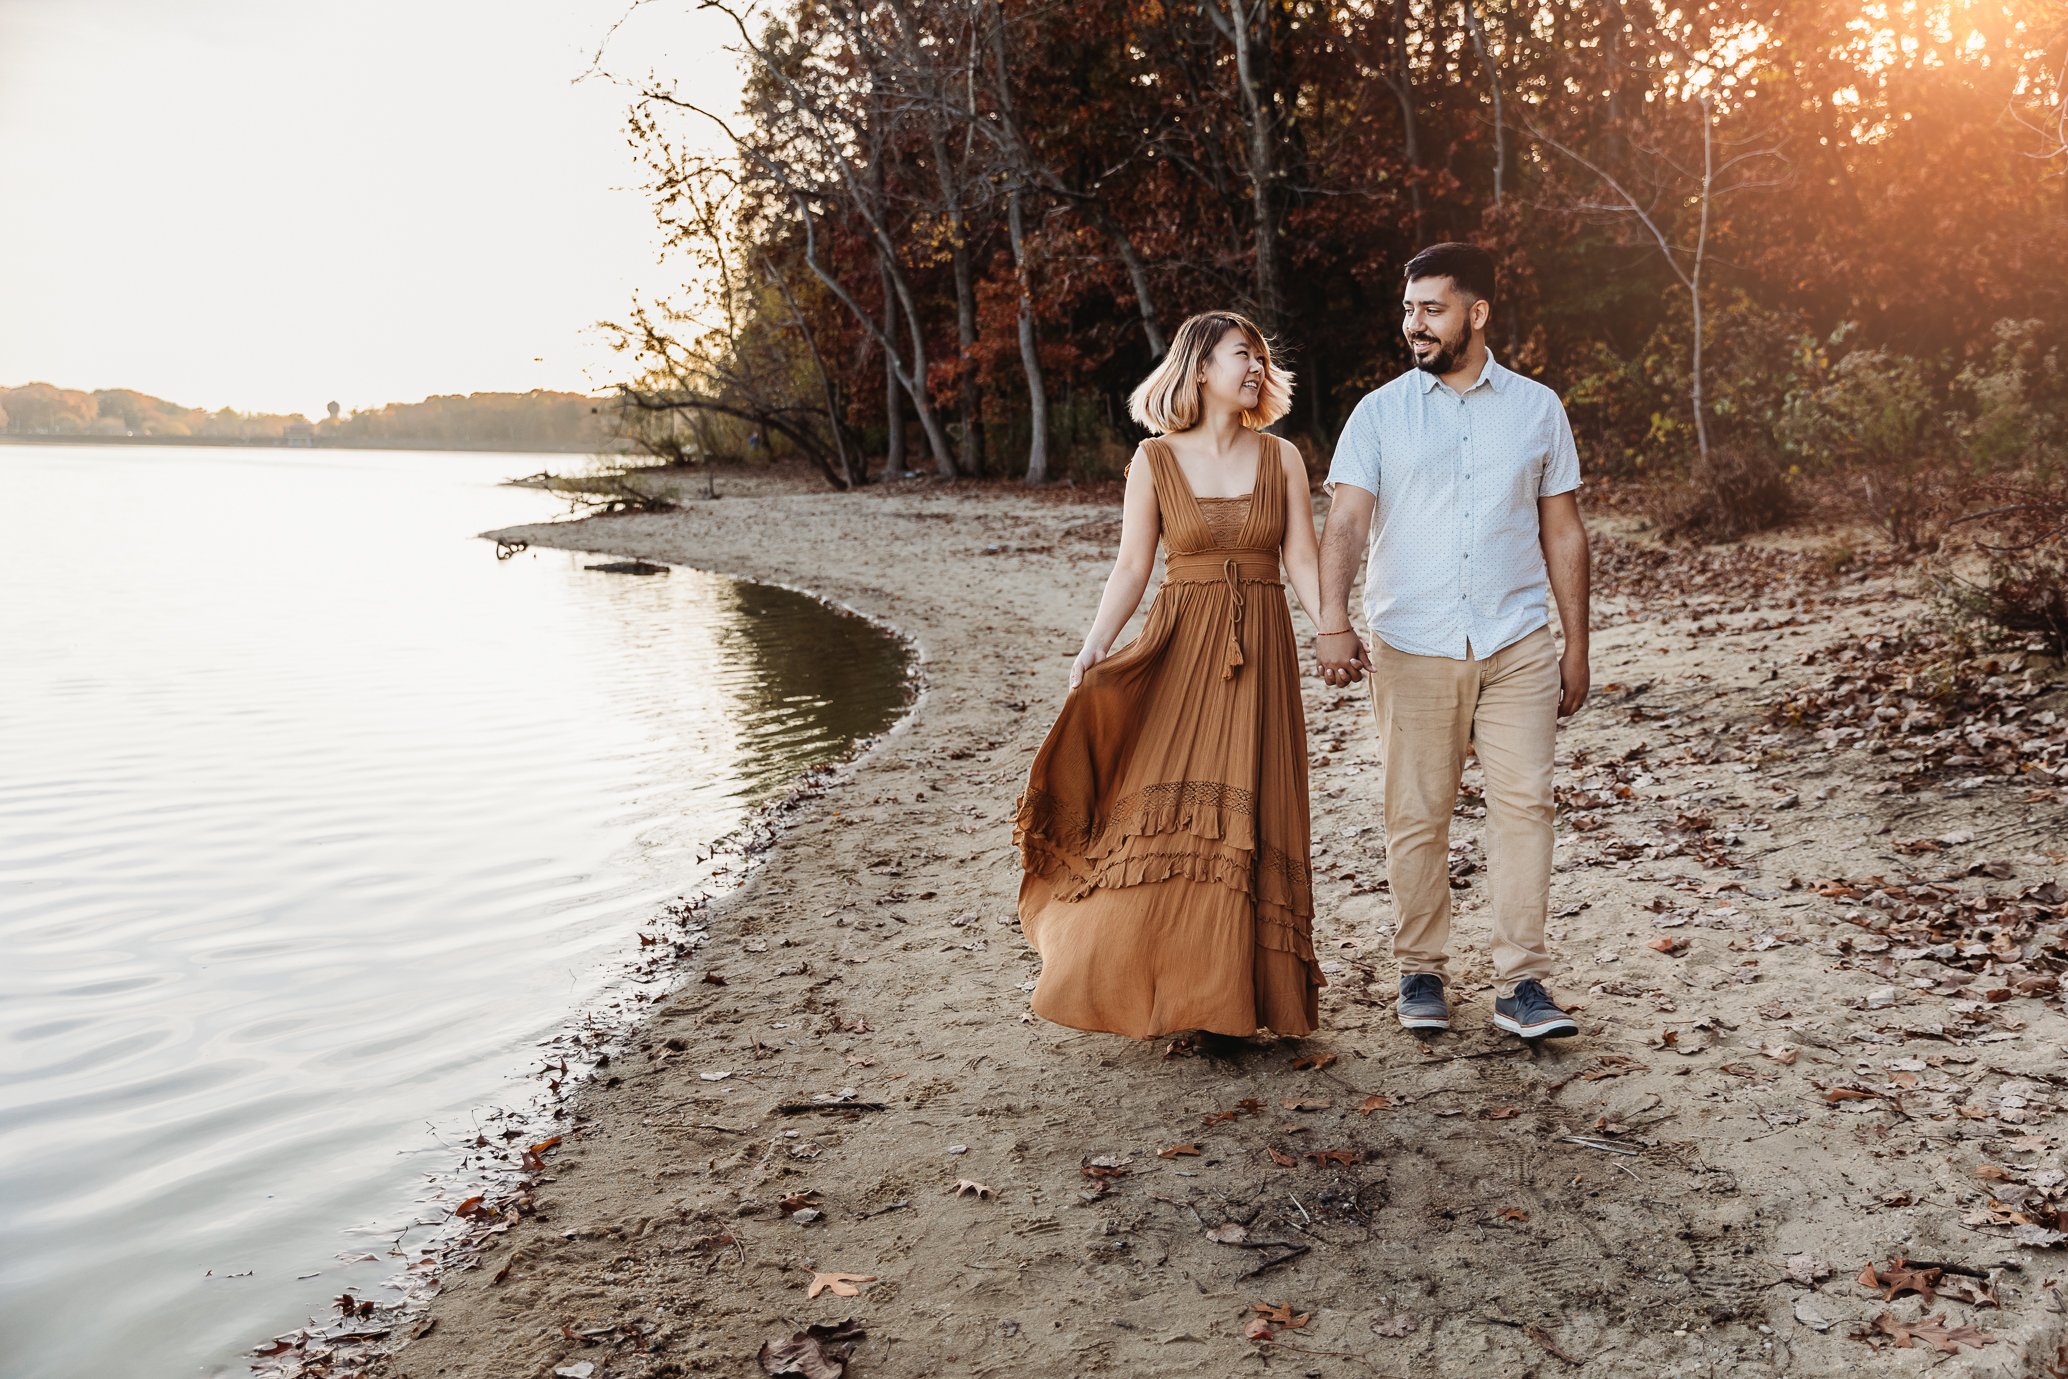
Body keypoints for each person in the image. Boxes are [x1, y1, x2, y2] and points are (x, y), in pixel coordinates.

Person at [1014, 310, 1329, 1045]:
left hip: (1263, 649)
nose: (1256, 367)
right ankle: (1184, 992)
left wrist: (1335, 628)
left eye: (1260, 356)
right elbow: (1132, 566)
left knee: (1257, 808)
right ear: (1199, 369)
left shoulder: (1282, 457)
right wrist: (1095, 645)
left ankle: (1239, 1001)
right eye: (1241, 355)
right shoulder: (1153, 460)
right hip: (1181, 647)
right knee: (1174, 807)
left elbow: (1302, 561)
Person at [1315, 242, 1592, 1041]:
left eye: (1432, 309)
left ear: (1478, 313)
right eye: (1408, 310)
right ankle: (1421, 968)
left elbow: (1564, 531)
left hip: (1516, 640)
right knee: (1417, 813)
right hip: (1412, 641)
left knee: (1526, 807)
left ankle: (1522, 982)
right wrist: (1333, 618)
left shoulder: (1538, 408)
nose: (1415, 325)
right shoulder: (1379, 413)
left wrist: (1576, 644)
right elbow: (1347, 522)